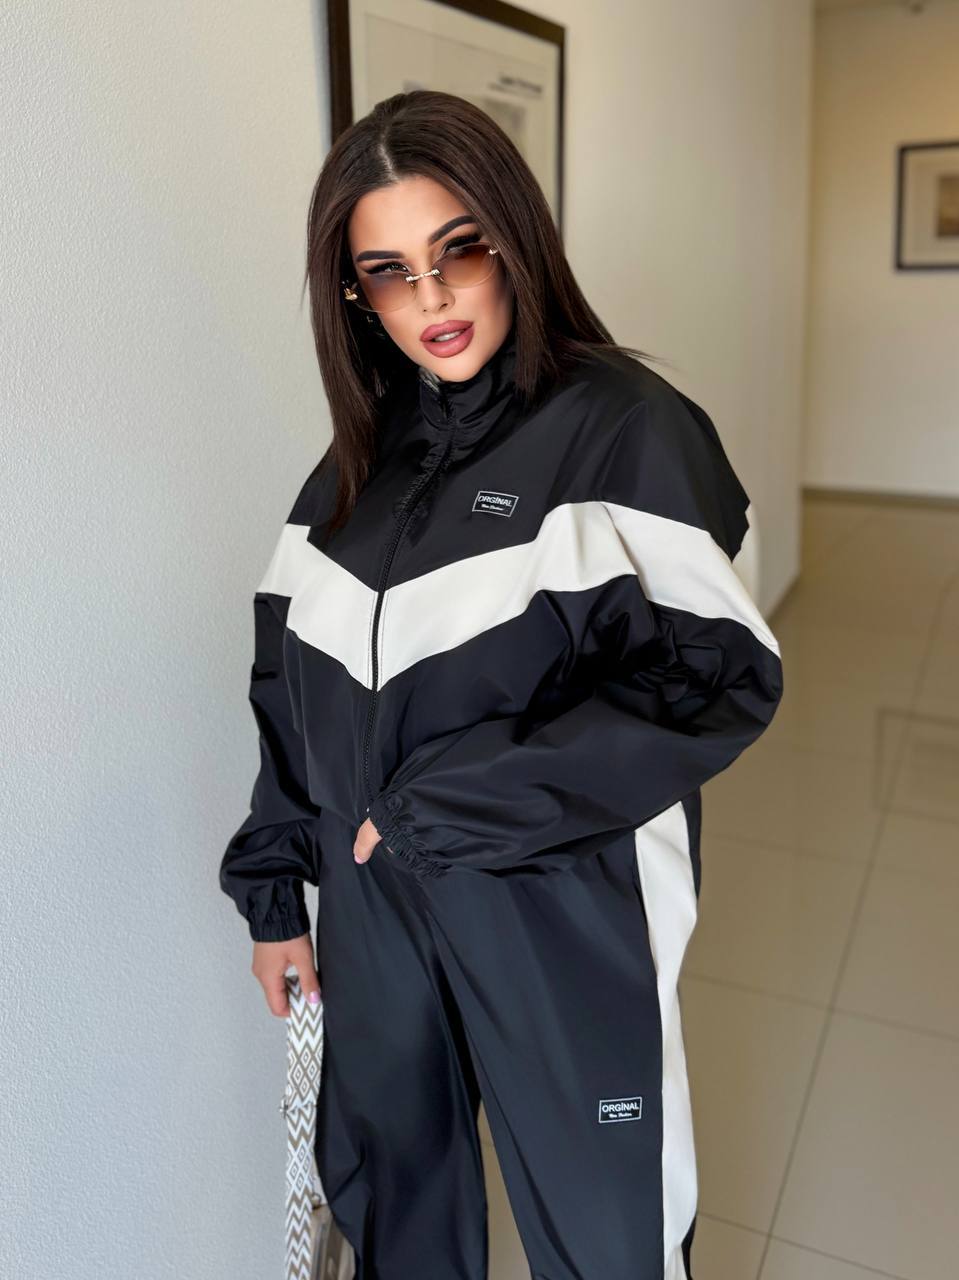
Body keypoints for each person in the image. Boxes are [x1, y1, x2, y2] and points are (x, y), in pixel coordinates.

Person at [219, 88, 784, 1280]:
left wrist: (448, 804)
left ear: (512, 238)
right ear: (353, 295)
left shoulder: (626, 430)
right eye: (386, 272)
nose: (429, 298)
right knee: (397, 1203)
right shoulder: (354, 464)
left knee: (605, 1232)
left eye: (457, 251)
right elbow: (288, 685)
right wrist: (277, 891)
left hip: (560, 902)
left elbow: (718, 677)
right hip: (374, 905)